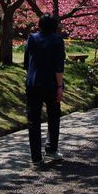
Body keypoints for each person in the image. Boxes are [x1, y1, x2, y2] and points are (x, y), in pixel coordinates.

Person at [24, 14, 65, 166]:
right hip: (51, 85)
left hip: (33, 83)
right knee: (54, 116)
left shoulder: (32, 38)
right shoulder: (57, 40)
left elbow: (27, 62)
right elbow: (58, 66)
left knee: (33, 120)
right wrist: (60, 86)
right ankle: (51, 149)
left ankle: (36, 157)